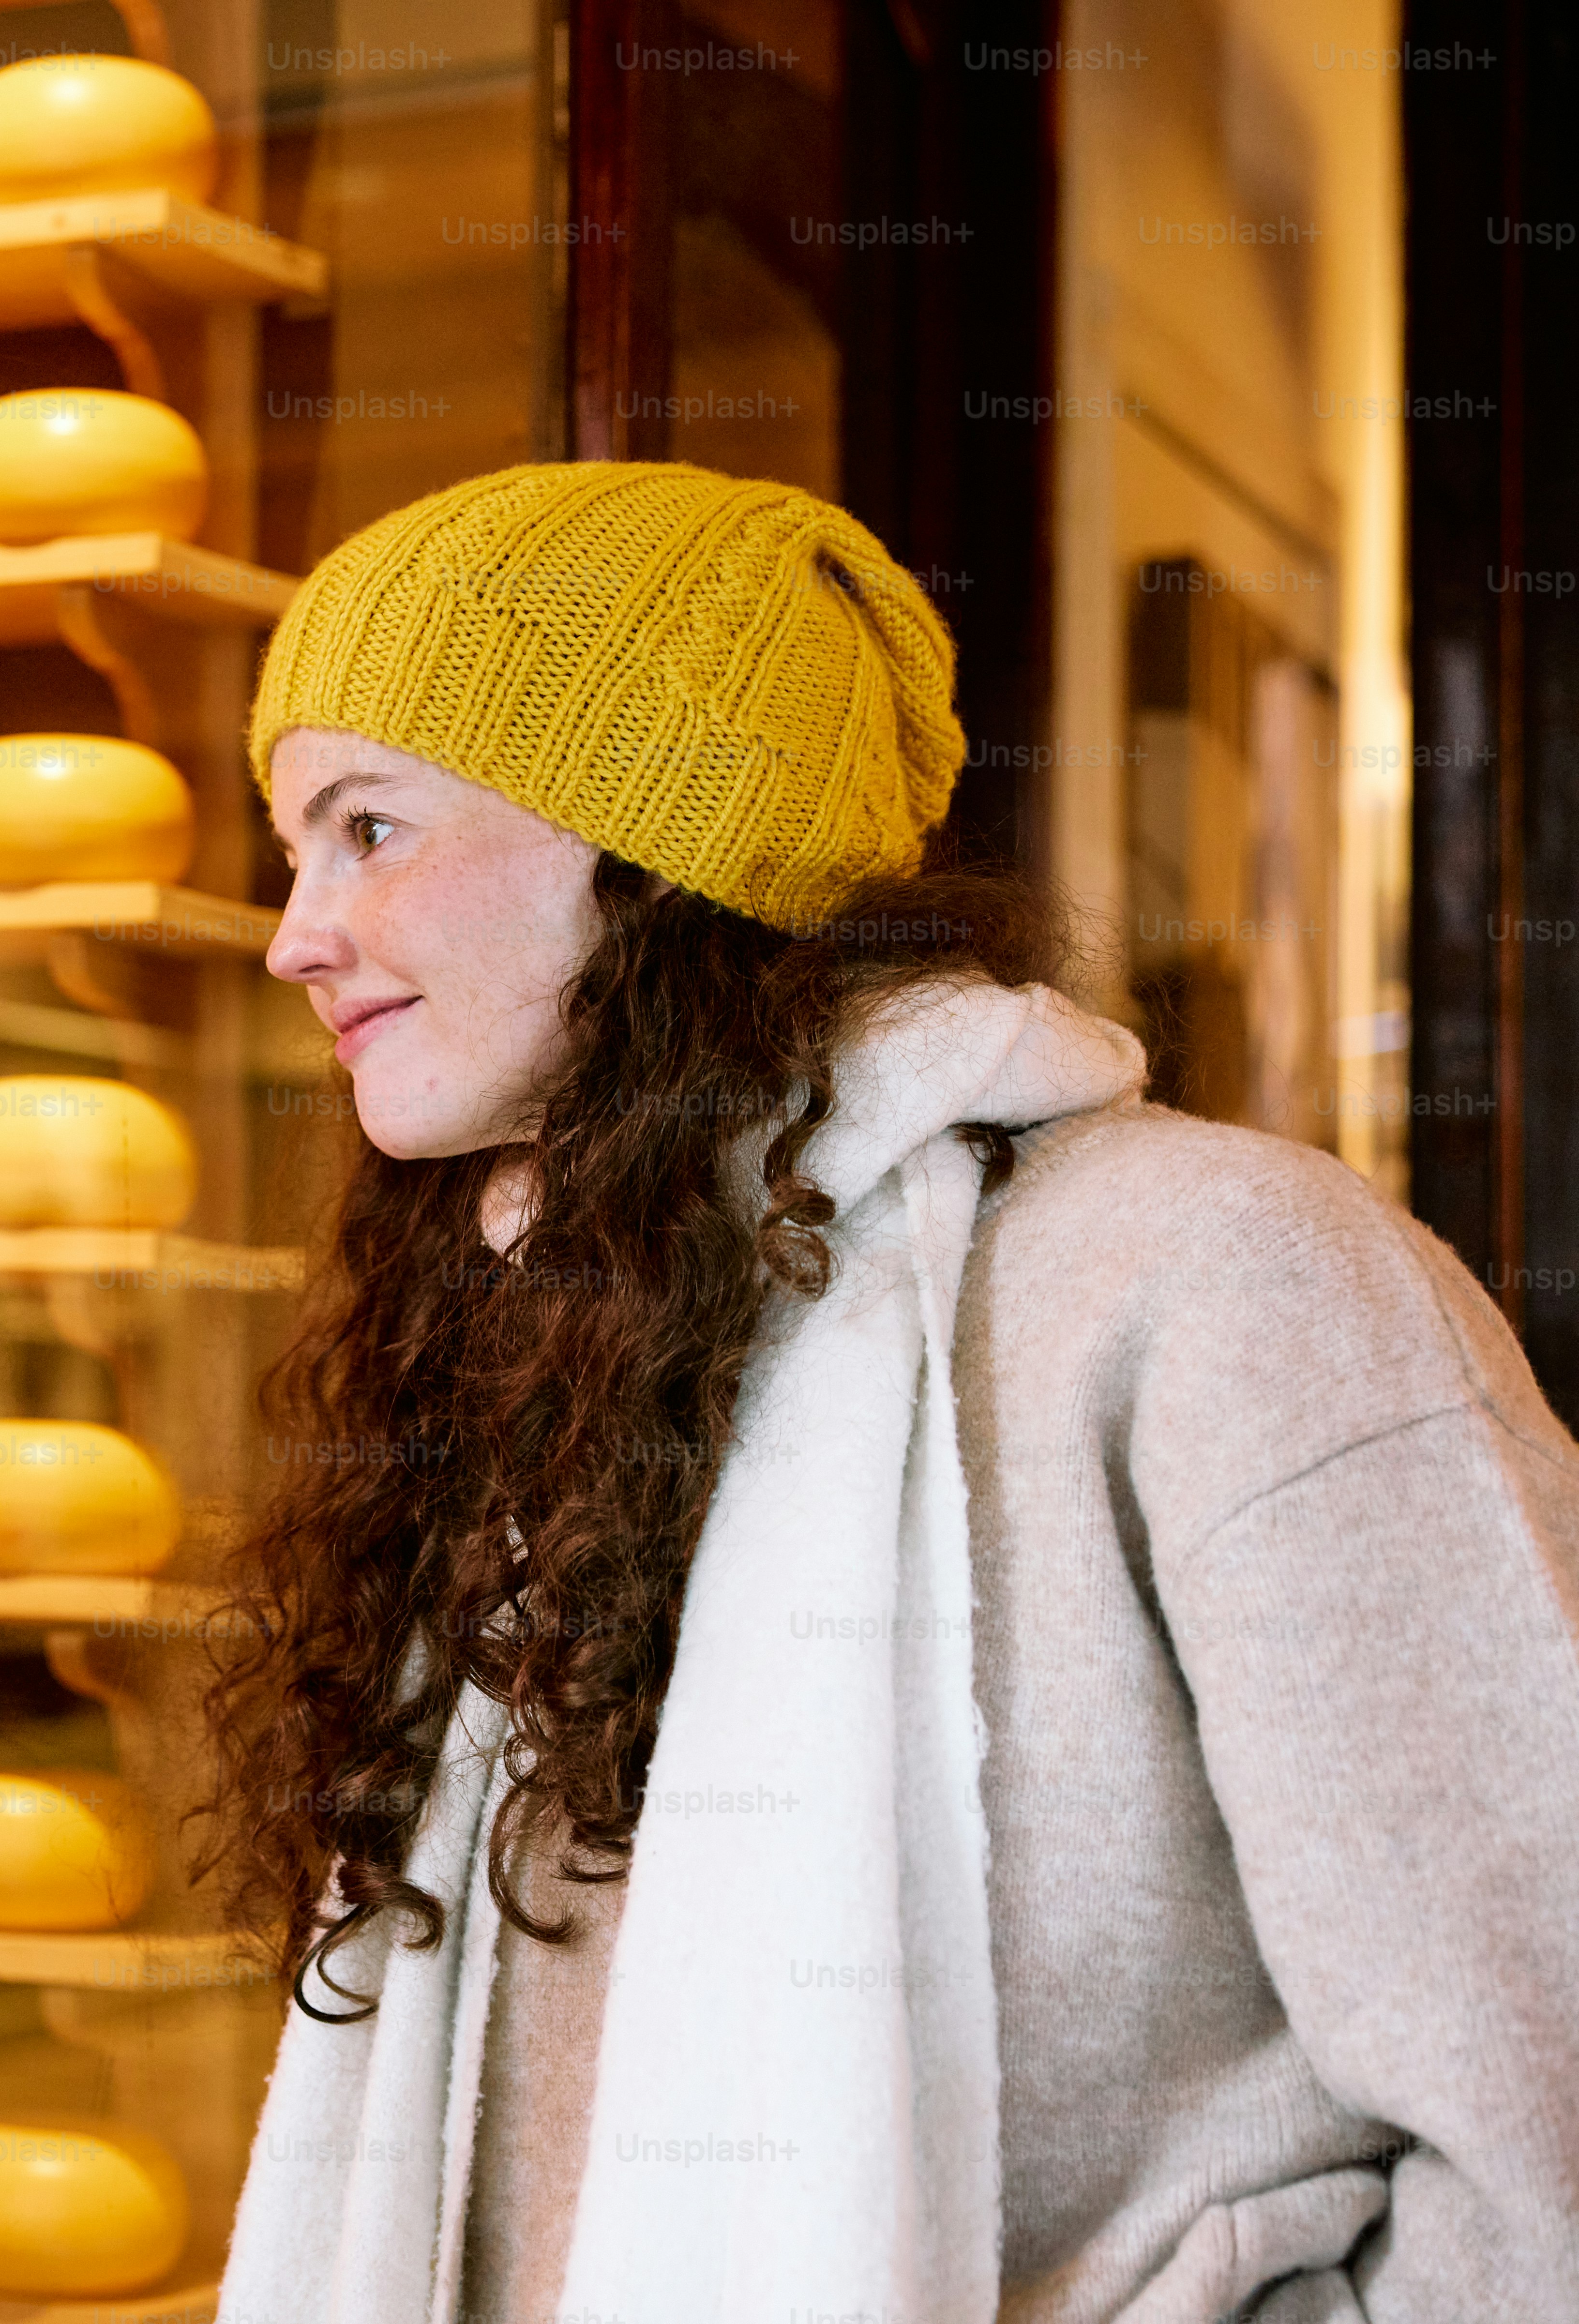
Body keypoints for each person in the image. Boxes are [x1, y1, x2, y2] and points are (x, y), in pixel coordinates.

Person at [206, 462, 1579, 2322]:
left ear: (657, 837)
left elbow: (1544, 2126)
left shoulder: (1224, 1279)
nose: (296, 932)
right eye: (295, 847)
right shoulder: (552, 1342)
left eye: (369, 827)